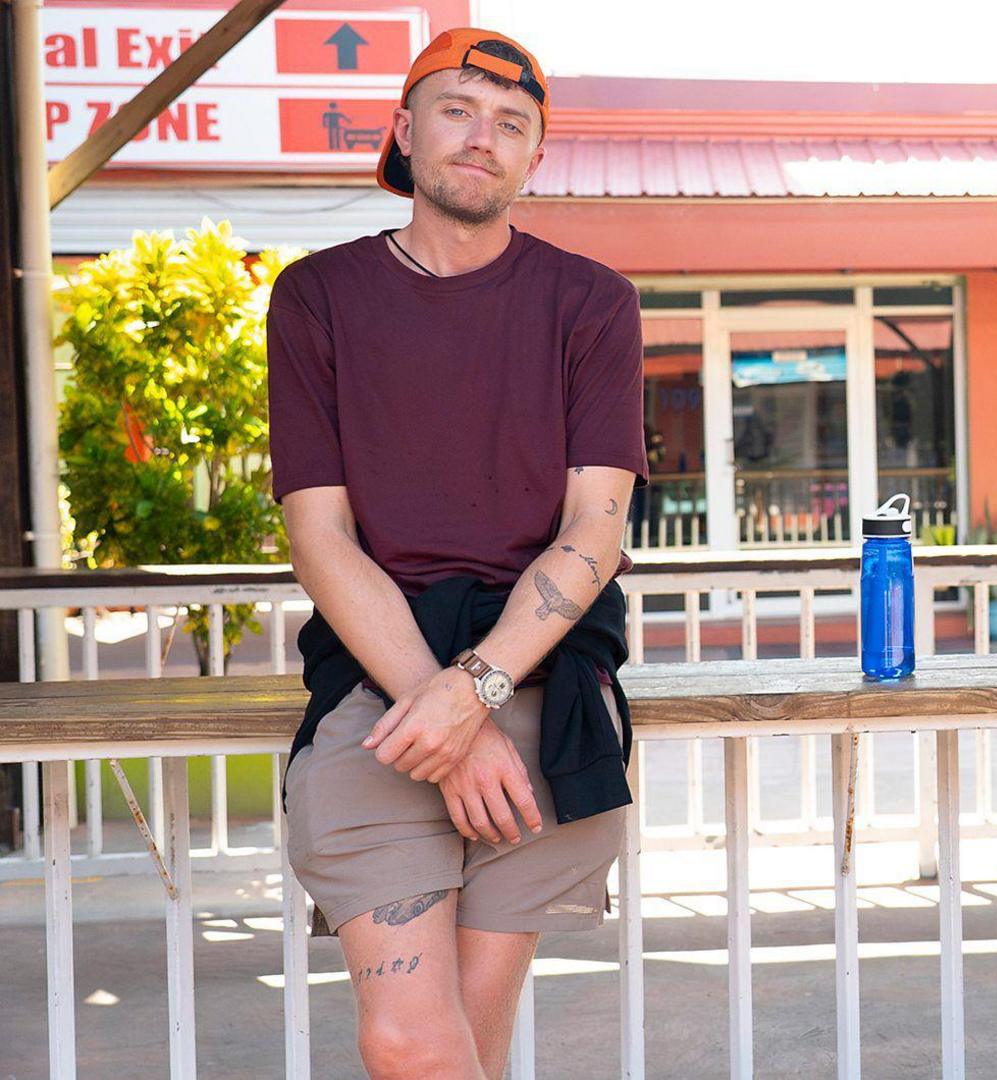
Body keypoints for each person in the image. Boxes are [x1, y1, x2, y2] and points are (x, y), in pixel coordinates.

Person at [267, 28, 647, 1080]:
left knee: (464, 1047)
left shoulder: (592, 302)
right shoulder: (318, 296)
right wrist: (447, 714)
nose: (483, 137)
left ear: (534, 158)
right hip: (379, 697)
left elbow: (595, 527)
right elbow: (319, 535)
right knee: (411, 1043)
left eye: (511, 123)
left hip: (543, 692)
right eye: (457, 110)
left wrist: (477, 691)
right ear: (403, 130)